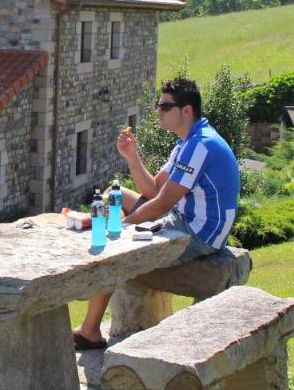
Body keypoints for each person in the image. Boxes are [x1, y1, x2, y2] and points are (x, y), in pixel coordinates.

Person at [72, 77, 241, 351]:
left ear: (186, 111)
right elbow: (152, 189)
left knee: (116, 247)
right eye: (158, 105)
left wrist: (124, 226)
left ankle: (89, 331)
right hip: (183, 218)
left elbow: (162, 203)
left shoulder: (200, 145)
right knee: (115, 195)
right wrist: (131, 156)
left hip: (199, 233)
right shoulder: (187, 142)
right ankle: (90, 323)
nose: (157, 112)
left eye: (164, 106)